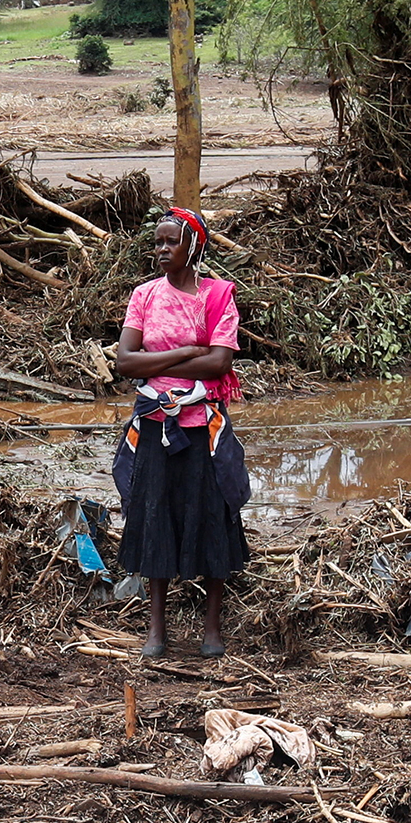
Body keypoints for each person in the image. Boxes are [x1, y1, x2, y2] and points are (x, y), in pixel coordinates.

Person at [111, 207, 251, 658]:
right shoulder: (144, 296)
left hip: (203, 426)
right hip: (155, 424)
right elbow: (124, 362)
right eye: (157, 242)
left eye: (171, 242)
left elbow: (220, 363)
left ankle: (212, 628)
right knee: (154, 518)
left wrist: (169, 359)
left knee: (214, 516)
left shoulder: (217, 296)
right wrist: (191, 349)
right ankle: (157, 629)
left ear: (192, 246)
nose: (162, 250)